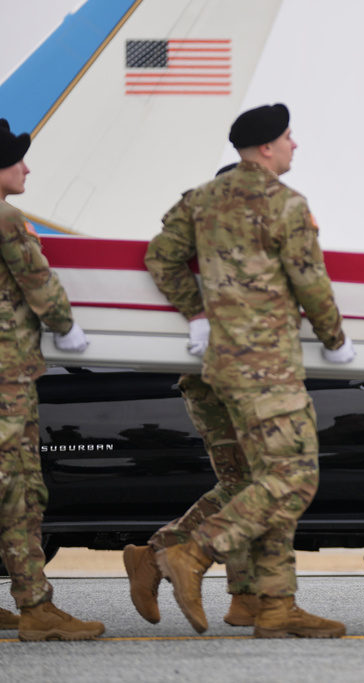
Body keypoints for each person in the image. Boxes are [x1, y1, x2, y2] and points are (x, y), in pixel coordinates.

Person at [145, 104, 355, 638]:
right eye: (288, 137)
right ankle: (191, 553)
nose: (294, 145)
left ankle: (275, 604)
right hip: (269, 365)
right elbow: (310, 281)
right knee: (296, 477)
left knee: (265, 480)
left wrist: (197, 312)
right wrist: (334, 337)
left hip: (222, 364)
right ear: (266, 147)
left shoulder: (200, 199)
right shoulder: (285, 204)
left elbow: (160, 257)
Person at [123, 163, 258, 629]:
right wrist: (197, 315)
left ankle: (246, 597)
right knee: (251, 483)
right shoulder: (203, 223)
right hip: (217, 371)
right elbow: (159, 260)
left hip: (232, 369)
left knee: (246, 479)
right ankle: (162, 553)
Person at [0, 118, 104, 640]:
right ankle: (37, 610)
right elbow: (41, 286)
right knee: (19, 490)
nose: (27, 167)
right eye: (17, 159)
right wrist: (68, 328)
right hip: (6, 381)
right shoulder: (7, 220)